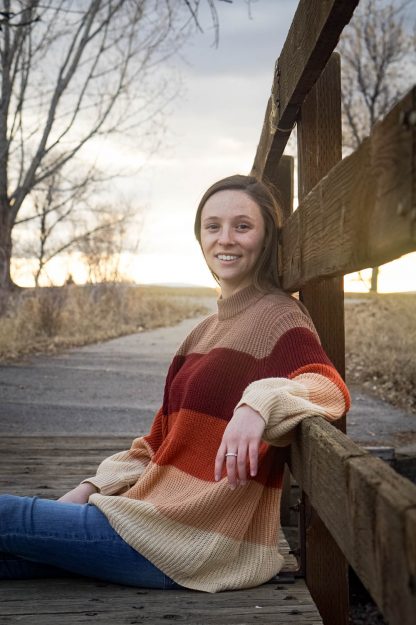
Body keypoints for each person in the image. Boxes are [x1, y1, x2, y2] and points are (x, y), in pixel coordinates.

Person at [0, 174, 350, 592]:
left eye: (242, 225)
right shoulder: (200, 334)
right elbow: (155, 443)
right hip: (137, 518)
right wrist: (89, 487)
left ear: (267, 236)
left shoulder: (280, 317)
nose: (226, 239)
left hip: (185, 542)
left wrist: (257, 404)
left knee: (8, 516)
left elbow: (328, 387)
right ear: (200, 238)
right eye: (212, 226)